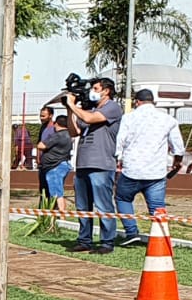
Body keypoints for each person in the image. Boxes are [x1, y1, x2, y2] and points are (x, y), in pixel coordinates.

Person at [65, 77, 132, 253]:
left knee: (103, 205)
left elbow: (90, 118)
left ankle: (107, 242)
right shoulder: (88, 109)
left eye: (96, 88)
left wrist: (73, 105)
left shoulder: (112, 108)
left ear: (106, 90)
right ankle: (84, 239)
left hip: (101, 164)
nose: (92, 91)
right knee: (82, 206)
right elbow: (74, 131)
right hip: (83, 164)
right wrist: (69, 109)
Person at [114, 88, 184, 224]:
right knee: (157, 206)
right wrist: (177, 162)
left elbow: (120, 141)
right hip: (156, 172)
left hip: (131, 170)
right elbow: (178, 147)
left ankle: (131, 231)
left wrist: (118, 159)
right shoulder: (168, 120)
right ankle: (160, 235)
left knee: (123, 199)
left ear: (137, 102)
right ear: (154, 102)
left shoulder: (128, 118)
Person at [36, 107, 73, 219]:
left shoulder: (57, 135)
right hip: (55, 164)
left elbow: (41, 145)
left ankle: (60, 216)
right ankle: (50, 214)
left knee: (56, 193)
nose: (41, 118)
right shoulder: (68, 135)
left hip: (54, 166)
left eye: (44, 115)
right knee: (54, 192)